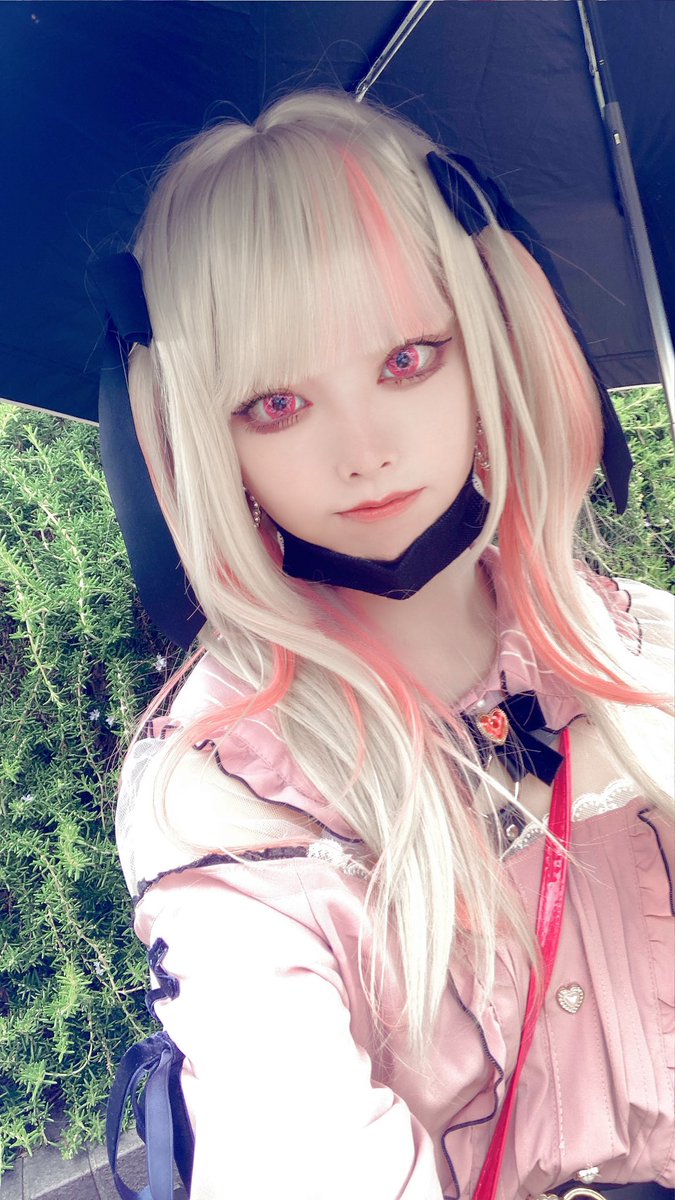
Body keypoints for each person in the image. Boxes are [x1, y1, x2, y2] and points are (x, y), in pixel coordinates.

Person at [112, 90, 674, 1199]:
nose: (364, 449)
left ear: (490, 338)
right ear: (199, 435)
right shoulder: (225, 791)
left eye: (408, 358)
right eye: (276, 404)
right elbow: (299, 1146)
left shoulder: (640, 642)